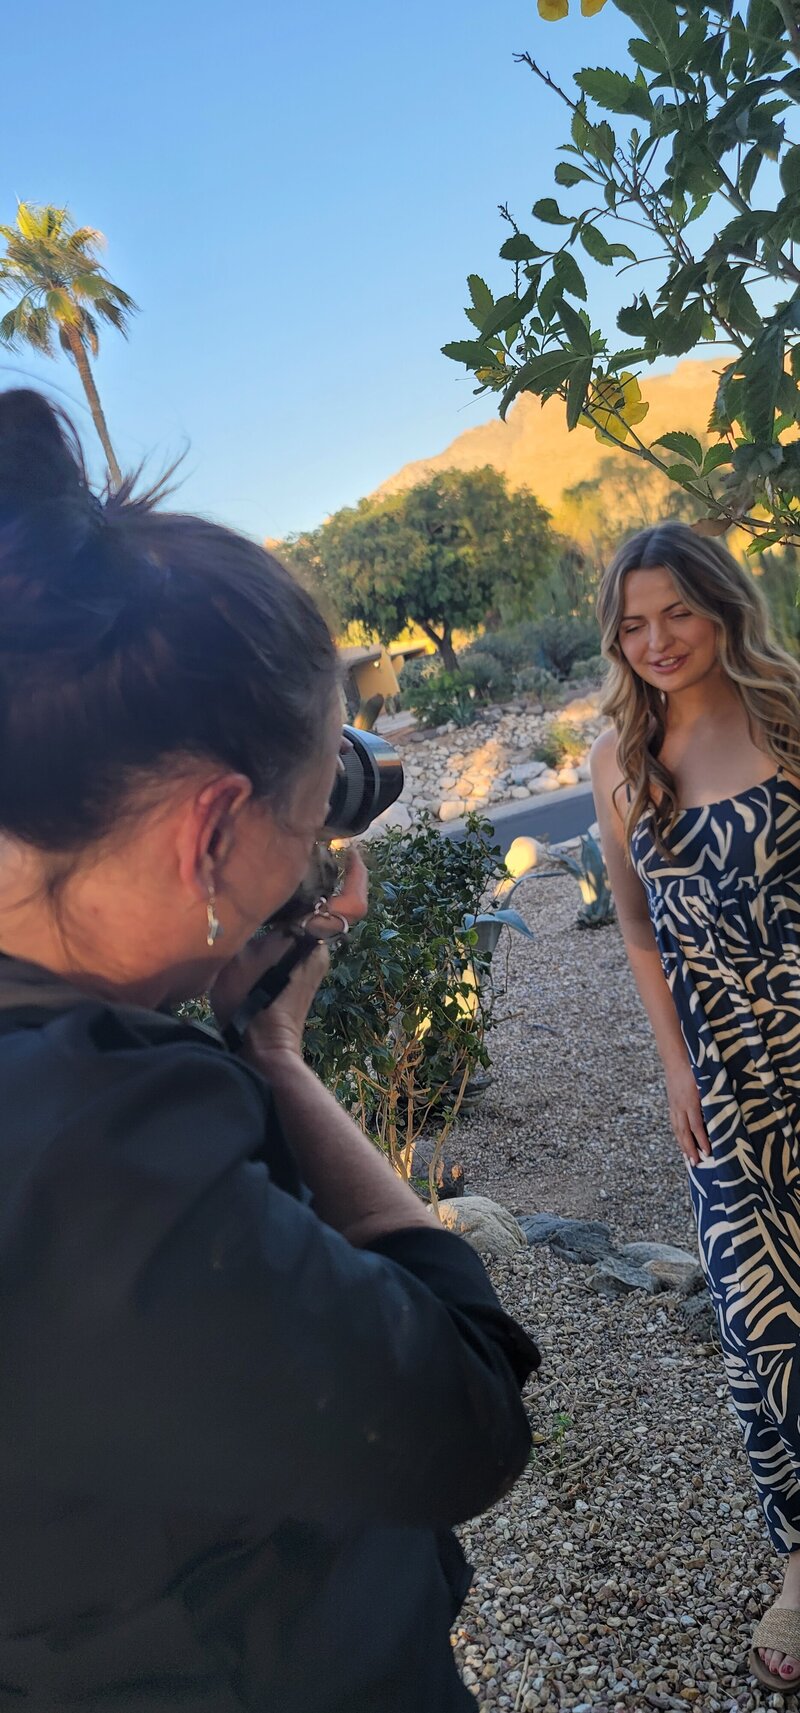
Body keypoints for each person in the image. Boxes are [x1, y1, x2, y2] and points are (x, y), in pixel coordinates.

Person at [0, 388, 539, 1712]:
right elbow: (466, 1413)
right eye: (309, 824)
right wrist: (276, 1055)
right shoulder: (99, 1163)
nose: (311, 865)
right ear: (210, 834)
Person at [590, 520, 800, 1693]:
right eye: (632, 623)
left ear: (720, 607)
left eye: (675, 611)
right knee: (758, 1329)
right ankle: (798, 1563)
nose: (655, 640)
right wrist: (671, 1060)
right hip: (719, 1071)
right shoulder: (615, 759)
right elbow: (630, 919)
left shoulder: (785, 713)